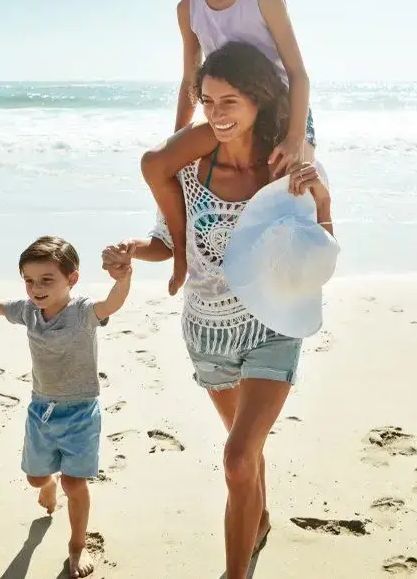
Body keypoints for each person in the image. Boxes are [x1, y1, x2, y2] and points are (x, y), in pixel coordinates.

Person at [104, 41, 334, 579]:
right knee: (245, 457)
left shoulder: (290, 167)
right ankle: (259, 515)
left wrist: (320, 201)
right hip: (206, 329)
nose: (217, 114)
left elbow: (321, 256)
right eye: (208, 101)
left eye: (230, 101)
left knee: (235, 459)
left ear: (257, 101)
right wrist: (134, 250)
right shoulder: (190, 172)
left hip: (272, 324)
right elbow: (169, 240)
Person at [0, 236, 132, 578]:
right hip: (41, 411)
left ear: (71, 279)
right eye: (29, 280)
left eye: (47, 280)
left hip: (80, 414)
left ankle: (77, 546)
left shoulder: (82, 312)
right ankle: (48, 486)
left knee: (75, 485)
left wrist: (123, 277)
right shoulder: (28, 311)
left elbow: (112, 304)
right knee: (35, 479)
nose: (36, 288)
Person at [152, 0, 316, 296]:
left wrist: (295, 137)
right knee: (158, 163)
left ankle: (284, 288)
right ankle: (180, 255)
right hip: (226, 114)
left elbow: (298, 74)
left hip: (283, 116)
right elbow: (190, 82)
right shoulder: (188, 9)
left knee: (291, 199)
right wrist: (180, 138)